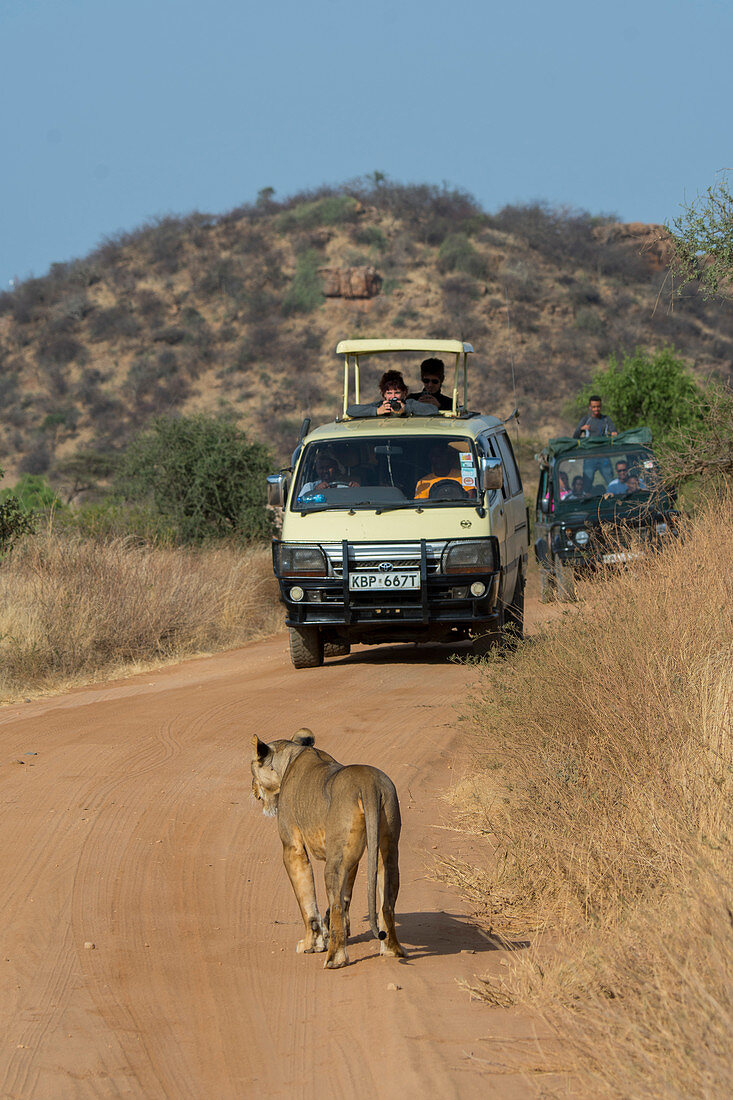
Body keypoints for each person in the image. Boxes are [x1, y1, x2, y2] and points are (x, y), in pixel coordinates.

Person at [346, 370, 436, 418]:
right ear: (384, 394)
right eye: (389, 393)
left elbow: (433, 410)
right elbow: (351, 410)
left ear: (404, 393)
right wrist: (376, 411)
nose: (393, 397)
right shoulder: (380, 406)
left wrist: (406, 410)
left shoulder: (410, 404)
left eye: (397, 393)